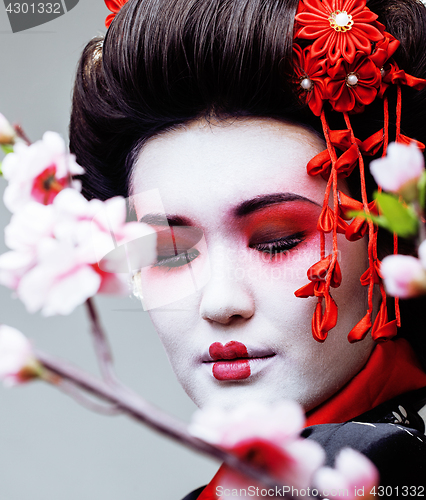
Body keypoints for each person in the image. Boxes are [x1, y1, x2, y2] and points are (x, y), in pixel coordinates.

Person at [69, 0, 426, 496]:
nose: (220, 302)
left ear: (394, 240)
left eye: (279, 239)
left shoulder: (379, 473)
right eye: (171, 251)